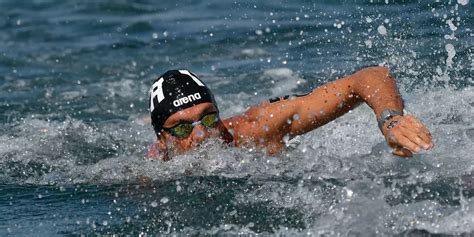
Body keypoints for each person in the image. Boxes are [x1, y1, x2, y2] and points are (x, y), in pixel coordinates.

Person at [147, 67, 433, 161]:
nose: (201, 134)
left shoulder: (256, 128)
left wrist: (390, 120)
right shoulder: (151, 174)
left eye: (209, 118)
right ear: (162, 141)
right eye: (182, 128)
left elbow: (371, 76)